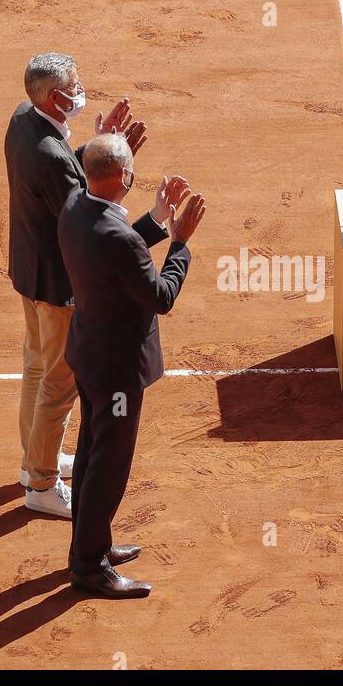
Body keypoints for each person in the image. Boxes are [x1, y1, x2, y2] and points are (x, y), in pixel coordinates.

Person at [4, 51, 173, 518]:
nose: (80, 90)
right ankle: (41, 484)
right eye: (74, 86)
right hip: (58, 286)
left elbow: (69, 177)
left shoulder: (23, 119)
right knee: (58, 384)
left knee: (37, 367)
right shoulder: (51, 159)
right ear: (55, 98)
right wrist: (114, 162)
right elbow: (89, 221)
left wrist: (101, 148)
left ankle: (34, 458)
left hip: (28, 269)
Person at [58, 133, 206, 598]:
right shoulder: (117, 237)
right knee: (109, 464)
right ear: (124, 176)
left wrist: (158, 219)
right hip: (118, 370)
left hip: (89, 354)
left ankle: (91, 546)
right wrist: (179, 243)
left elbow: (114, 252)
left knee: (90, 453)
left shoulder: (73, 209)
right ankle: (89, 566)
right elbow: (160, 296)